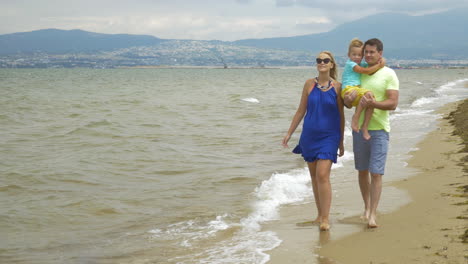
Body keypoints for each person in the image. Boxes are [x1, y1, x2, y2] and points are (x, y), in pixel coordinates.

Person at [282, 51, 345, 231]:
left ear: (332, 64)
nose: (322, 62)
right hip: (310, 136)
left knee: (323, 175)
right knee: (314, 177)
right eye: (319, 60)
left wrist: (340, 141)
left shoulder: (338, 87)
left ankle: (325, 218)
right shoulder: (309, 84)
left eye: (325, 60)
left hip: (329, 137)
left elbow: (340, 116)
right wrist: (289, 133)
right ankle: (319, 215)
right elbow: (301, 110)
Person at [343, 38, 399, 228]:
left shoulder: (389, 74)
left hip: (380, 130)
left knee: (376, 173)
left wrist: (372, 104)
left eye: (372, 52)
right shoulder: (360, 71)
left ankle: (373, 214)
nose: (367, 55)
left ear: (380, 53)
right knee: (362, 171)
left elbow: (393, 103)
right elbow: (348, 101)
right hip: (359, 130)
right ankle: (366, 208)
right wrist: (348, 100)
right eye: (365, 52)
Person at [341, 38, 385, 140]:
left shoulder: (361, 63)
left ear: (362, 56)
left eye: (359, 55)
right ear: (349, 55)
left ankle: (365, 127)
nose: (356, 57)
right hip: (348, 89)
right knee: (369, 93)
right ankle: (355, 118)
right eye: (354, 55)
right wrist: (379, 65)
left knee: (370, 100)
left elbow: (371, 66)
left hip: (356, 90)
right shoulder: (350, 64)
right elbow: (366, 71)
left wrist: (382, 61)